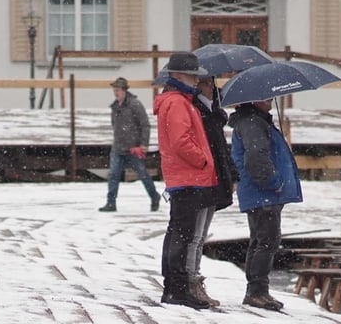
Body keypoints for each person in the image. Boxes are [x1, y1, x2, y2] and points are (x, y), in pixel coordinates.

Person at [153, 52, 219, 310]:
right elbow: (182, 141)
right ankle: (178, 288)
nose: (196, 80)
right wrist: (203, 160)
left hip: (182, 176)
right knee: (183, 233)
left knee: (177, 232)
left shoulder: (175, 100)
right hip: (189, 176)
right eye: (192, 75)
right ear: (178, 75)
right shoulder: (178, 103)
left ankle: (174, 286)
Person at [228, 98, 303, 310]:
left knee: (261, 239)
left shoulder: (256, 120)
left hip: (261, 193)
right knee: (267, 240)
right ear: (253, 100)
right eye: (265, 97)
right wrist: (273, 181)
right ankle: (257, 291)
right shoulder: (252, 123)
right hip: (262, 192)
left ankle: (257, 289)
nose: (270, 99)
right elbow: (255, 157)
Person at [186, 75, 240, 307]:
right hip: (203, 177)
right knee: (195, 236)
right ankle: (191, 281)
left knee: (200, 235)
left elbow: (222, 149)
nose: (211, 88)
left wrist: (232, 174)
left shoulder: (213, 114)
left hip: (214, 176)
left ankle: (195, 279)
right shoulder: (198, 112)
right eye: (207, 84)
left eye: (210, 83)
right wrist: (208, 166)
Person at [100, 77, 161, 213]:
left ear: (124, 90)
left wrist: (143, 144)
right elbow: (114, 126)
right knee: (113, 176)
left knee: (143, 175)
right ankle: (111, 203)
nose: (116, 93)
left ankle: (154, 196)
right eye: (114, 90)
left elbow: (145, 125)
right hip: (118, 148)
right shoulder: (115, 107)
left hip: (134, 149)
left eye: (118, 90)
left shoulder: (135, 104)